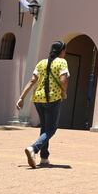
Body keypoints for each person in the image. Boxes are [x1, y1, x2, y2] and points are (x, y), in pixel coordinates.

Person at [16, 40, 69, 169]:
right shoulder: (62, 62)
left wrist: (21, 98)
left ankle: (44, 157)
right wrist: (64, 92)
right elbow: (63, 80)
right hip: (53, 98)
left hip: (38, 99)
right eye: (64, 50)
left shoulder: (41, 63)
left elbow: (32, 80)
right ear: (61, 51)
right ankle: (33, 148)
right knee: (52, 129)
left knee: (45, 128)